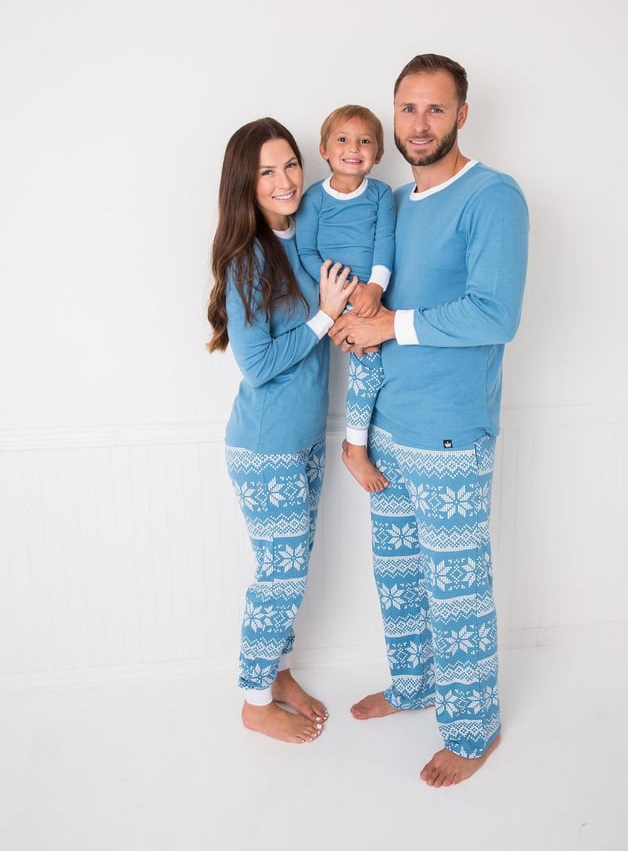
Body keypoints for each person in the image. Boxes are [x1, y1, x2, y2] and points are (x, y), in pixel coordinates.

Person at [330, 54, 529, 786]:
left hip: (449, 433)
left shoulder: (492, 197)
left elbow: (494, 313)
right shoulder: (392, 206)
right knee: (399, 580)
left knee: (457, 590)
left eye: (435, 109)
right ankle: (413, 685)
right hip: (386, 433)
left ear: (461, 115)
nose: (419, 124)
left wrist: (390, 326)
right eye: (407, 109)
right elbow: (364, 316)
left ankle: (474, 729)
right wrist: (356, 438)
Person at [207, 117, 357, 744]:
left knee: (289, 565)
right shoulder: (246, 259)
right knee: (281, 575)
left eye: (291, 164)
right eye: (267, 170)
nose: (286, 179)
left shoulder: (300, 240)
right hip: (266, 447)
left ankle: (279, 671)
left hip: (304, 440)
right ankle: (252, 698)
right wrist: (324, 318)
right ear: (246, 182)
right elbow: (259, 363)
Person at [296, 104, 395, 493]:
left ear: (379, 154)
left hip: (371, 295)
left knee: (373, 368)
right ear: (324, 149)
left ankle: (359, 442)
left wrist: (373, 288)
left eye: (365, 141)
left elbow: (385, 244)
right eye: (342, 139)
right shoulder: (314, 199)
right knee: (364, 360)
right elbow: (307, 253)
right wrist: (340, 290)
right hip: (333, 295)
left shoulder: (381, 195)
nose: (353, 148)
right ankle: (354, 447)